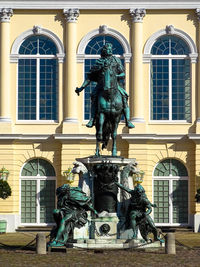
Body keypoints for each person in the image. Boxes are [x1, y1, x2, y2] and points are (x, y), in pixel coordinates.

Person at [76, 43, 135, 129]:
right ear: (104, 51)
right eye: (108, 49)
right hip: (101, 85)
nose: (110, 50)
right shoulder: (99, 62)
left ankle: (128, 120)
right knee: (94, 97)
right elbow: (90, 77)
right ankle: (92, 119)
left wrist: (116, 76)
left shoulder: (116, 60)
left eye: (111, 49)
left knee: (124, 96)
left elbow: (122, 73)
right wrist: (81, 88)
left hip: (115, 85)